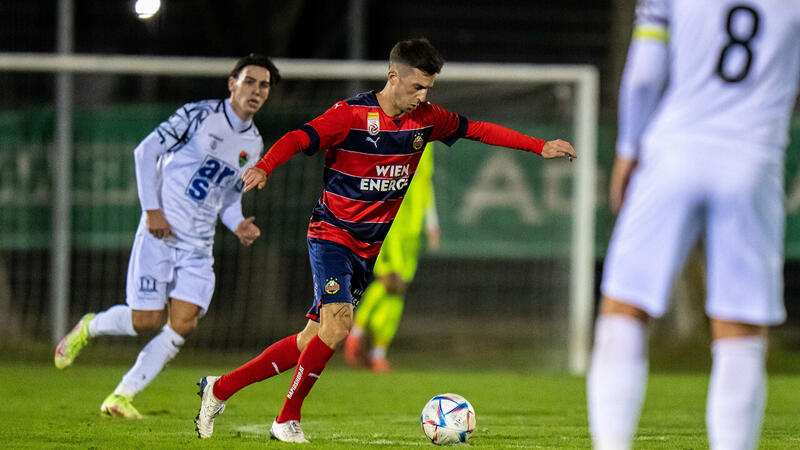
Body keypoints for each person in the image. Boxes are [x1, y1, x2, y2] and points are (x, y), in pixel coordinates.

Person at [194, 37, 576, 443]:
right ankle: (286, 419)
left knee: (312, 338)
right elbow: (298, 137)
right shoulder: (351, 115)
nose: (423, 96)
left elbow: (478, 130)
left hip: (367, 248)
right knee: (339, 327)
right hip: (331, 234)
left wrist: (539, 146)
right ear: (393, 76)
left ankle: (220, 389)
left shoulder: (427, 119)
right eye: (417, 87)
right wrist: (266, 165)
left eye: (429, 88)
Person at [588, 1, 800, 449]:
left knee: (625, 306)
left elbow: (645, 74)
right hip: (754, 155)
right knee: (740, 328)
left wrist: (628, 149)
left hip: (675, 149)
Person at [53, 54, 280, 419]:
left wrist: (237, 223)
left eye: (264, 85)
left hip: (198, 246)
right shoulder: (198, 115)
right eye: (249, 81)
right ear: (231, 83)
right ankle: (90, 325)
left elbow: (228, 198)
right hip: (160, 233)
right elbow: (145, 151)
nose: (256, 90)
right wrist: (152, 210)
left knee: (183, 323)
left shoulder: (253, 144)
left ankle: (120, 397)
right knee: (145, 321)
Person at [344, 142, 440, 373]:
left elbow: (425, 182)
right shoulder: (392, 132)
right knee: (390, 281)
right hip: (391, 224)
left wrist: (431, 222)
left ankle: (378, 352)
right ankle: (356, 331)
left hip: (412, 229)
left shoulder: (430, 136)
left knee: (398, 290)